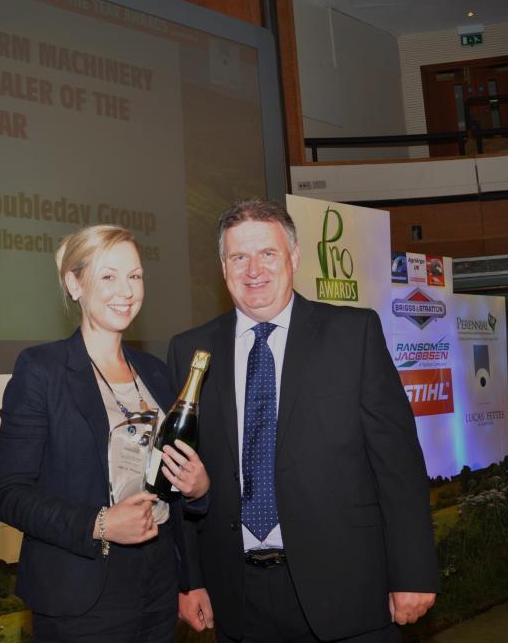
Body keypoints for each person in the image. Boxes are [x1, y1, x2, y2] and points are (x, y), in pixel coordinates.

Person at [168, 199, 439, 642]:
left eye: (267, 253)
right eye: (239, 256)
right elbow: (183, 476)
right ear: (223, 267)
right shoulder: (190, 350)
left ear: (293, 258)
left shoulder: (354, 334)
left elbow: (399, 466)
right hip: (238, 598)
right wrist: (190, 579)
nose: (253, 269)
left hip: (348, 590)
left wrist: (413, 571)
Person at [0, 225, 210, 642]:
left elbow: (173, 492)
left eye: (135, 275)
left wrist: (198, 488)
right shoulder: (42, 370)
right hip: (80, 591)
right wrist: (101, 523)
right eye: (108, 276)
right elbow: (7, 493)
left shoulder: (157, 374)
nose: (126, 290)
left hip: (157, 581)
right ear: (74, 283)